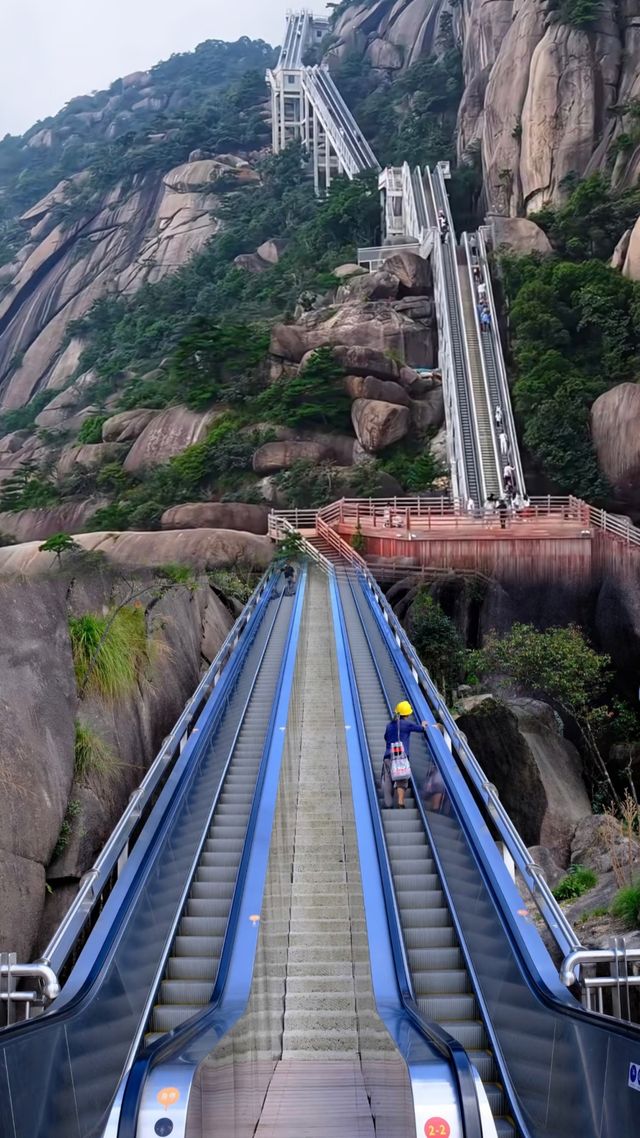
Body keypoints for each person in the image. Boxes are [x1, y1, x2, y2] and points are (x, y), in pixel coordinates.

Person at [381, 701, 427, 809]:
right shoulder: (407, 724)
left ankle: (388, 803)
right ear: (407, 714)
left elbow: (386, 737)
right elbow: (421, 729)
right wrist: (424, 725)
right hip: (401, 757)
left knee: (387, 779)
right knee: (401, 779)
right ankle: (400, 801)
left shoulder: (389, 725)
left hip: (388, 757)